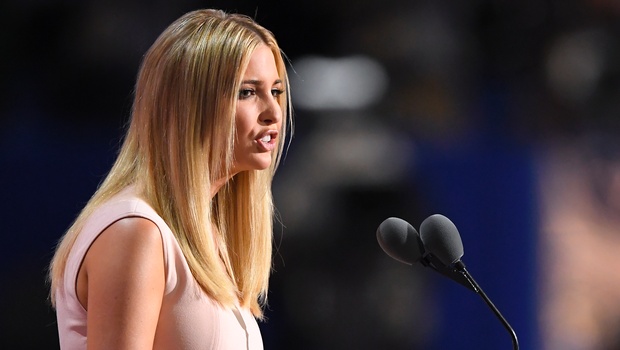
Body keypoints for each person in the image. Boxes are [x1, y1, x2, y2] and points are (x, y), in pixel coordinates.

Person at [48, 8, 292, 349]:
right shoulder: (135, 231)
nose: (273, 112)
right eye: (247, 92)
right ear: (189, 107)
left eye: (276, 92)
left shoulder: (205, 235)